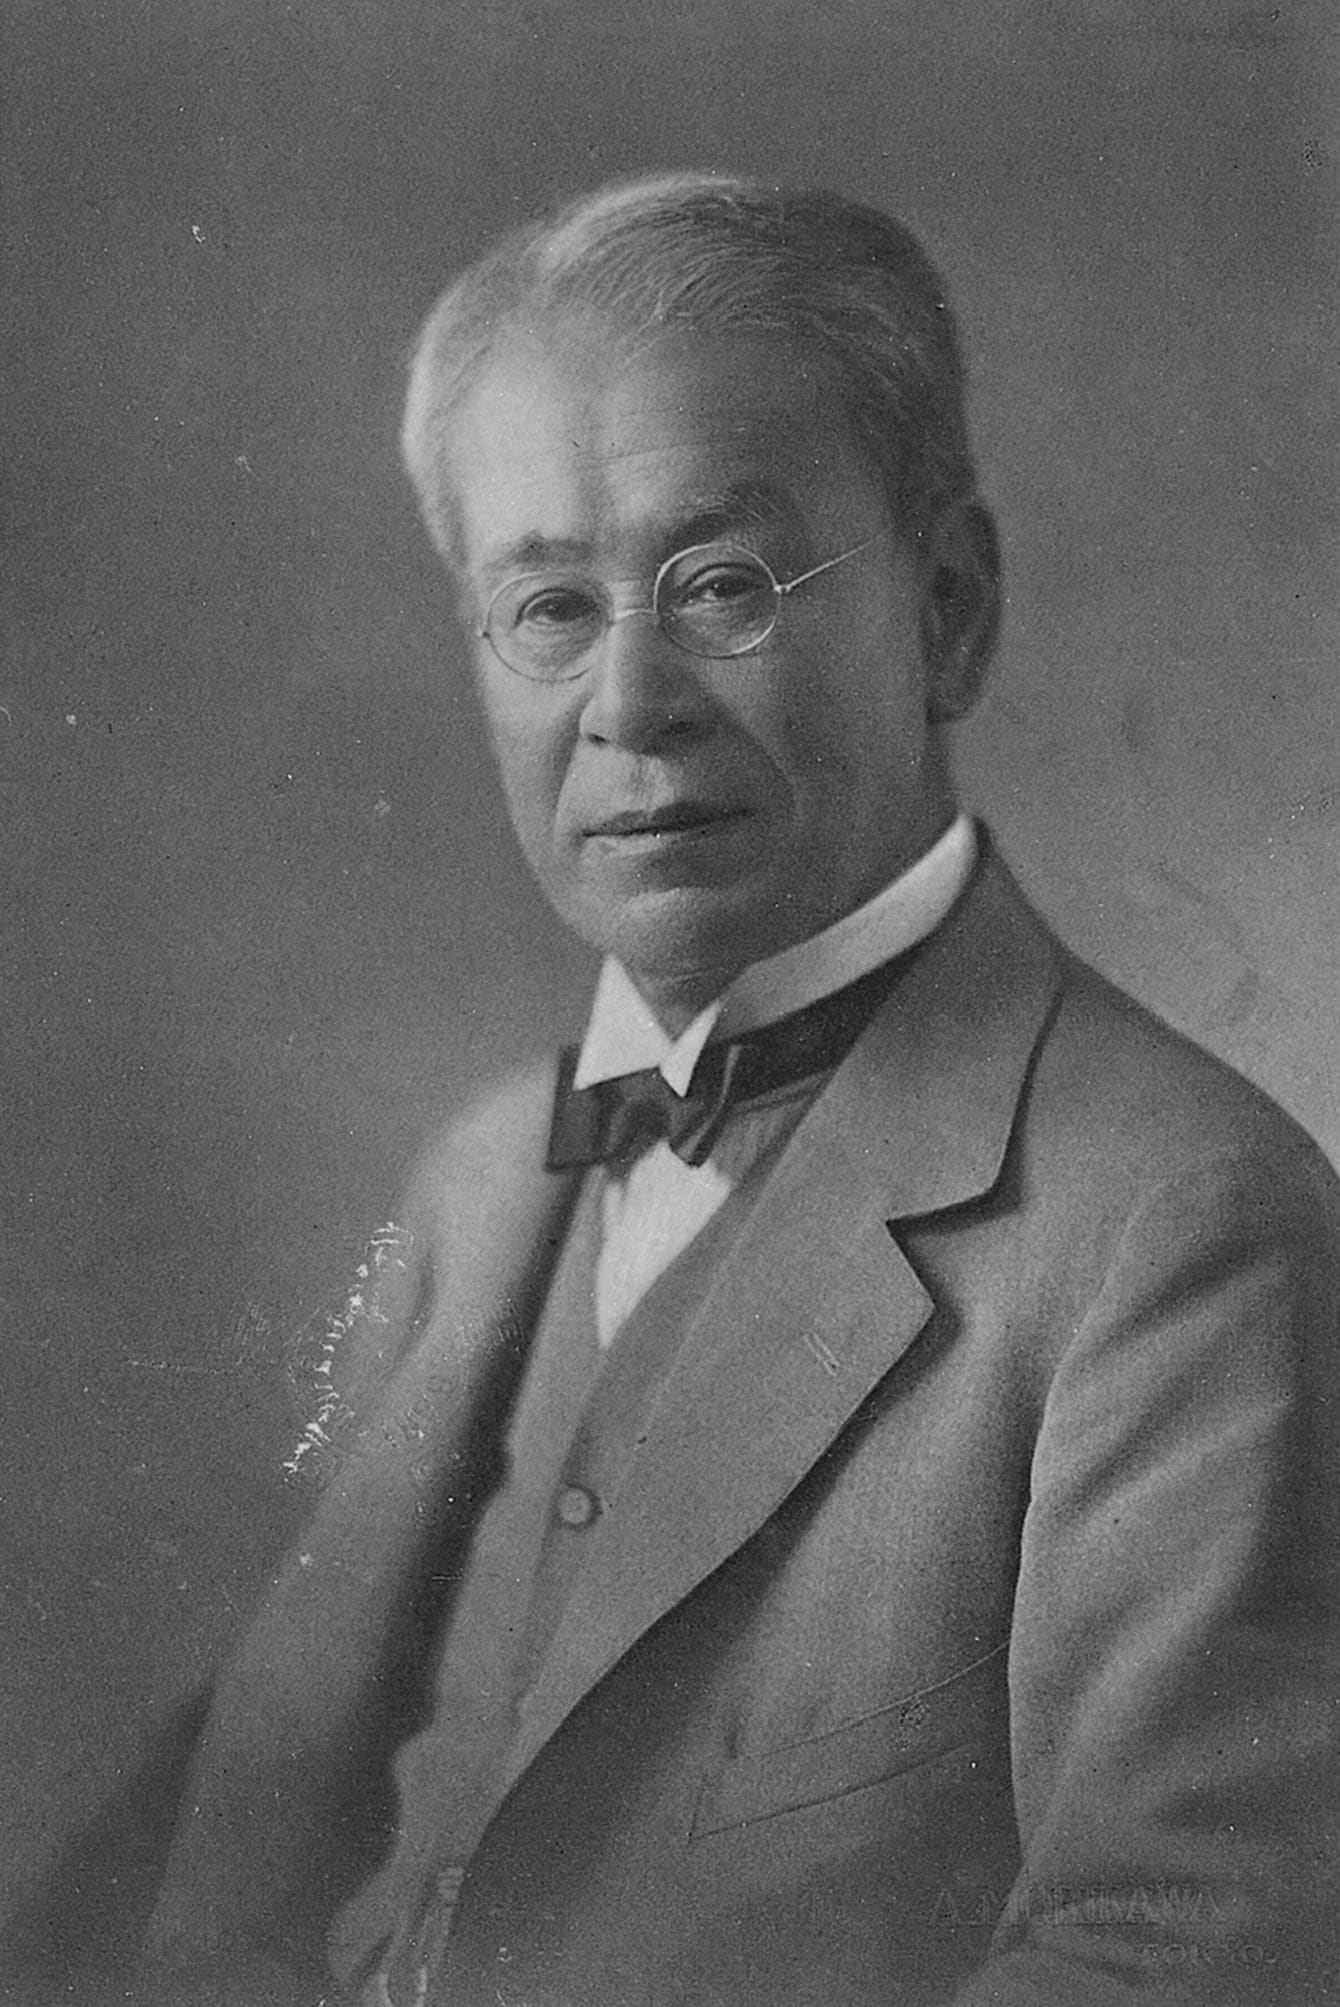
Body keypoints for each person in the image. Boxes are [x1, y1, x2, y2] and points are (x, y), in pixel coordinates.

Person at [6, 173, 1338, 2007]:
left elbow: (1195, 1954)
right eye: (548, 606)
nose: (630, 701)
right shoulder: (485, 1171)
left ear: (950, 612)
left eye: (722, 586)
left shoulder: (1183, 1228)